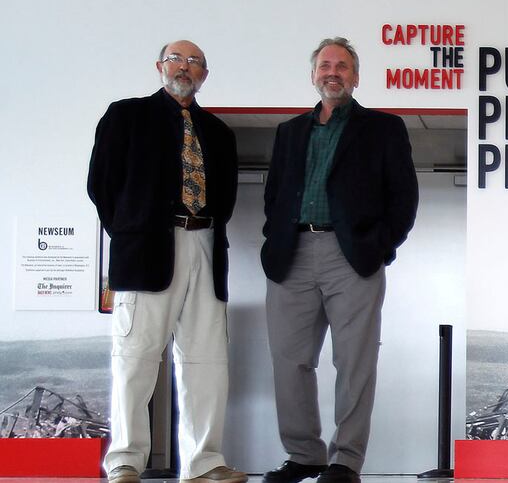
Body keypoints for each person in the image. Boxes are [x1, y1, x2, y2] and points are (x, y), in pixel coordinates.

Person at [260, 37, 418, 483]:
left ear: (356, 76)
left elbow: (404, 197)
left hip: (352, 257)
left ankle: (345, 459)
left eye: (343, 66)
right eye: (326, 65)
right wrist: (274, 239)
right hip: (291, 254)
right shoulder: (289, 132)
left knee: (354, 363)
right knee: (289, 360)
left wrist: (380, 246)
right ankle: (304, 454)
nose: (334, 72)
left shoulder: (384, 128)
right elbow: (275, 195)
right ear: (314, 74)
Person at [87, 40, 246, 483]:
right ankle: (125, 460)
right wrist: (132, 231)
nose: (185, 67)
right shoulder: (126, 116)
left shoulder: (218, 132)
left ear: (204, 75)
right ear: (160, 66)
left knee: (206, 361)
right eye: (177, 58)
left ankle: (204, 461)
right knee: (135, 357)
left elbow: (227, 197)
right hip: (143, 250)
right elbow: (102, 185)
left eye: (195, 62)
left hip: (205, 244)